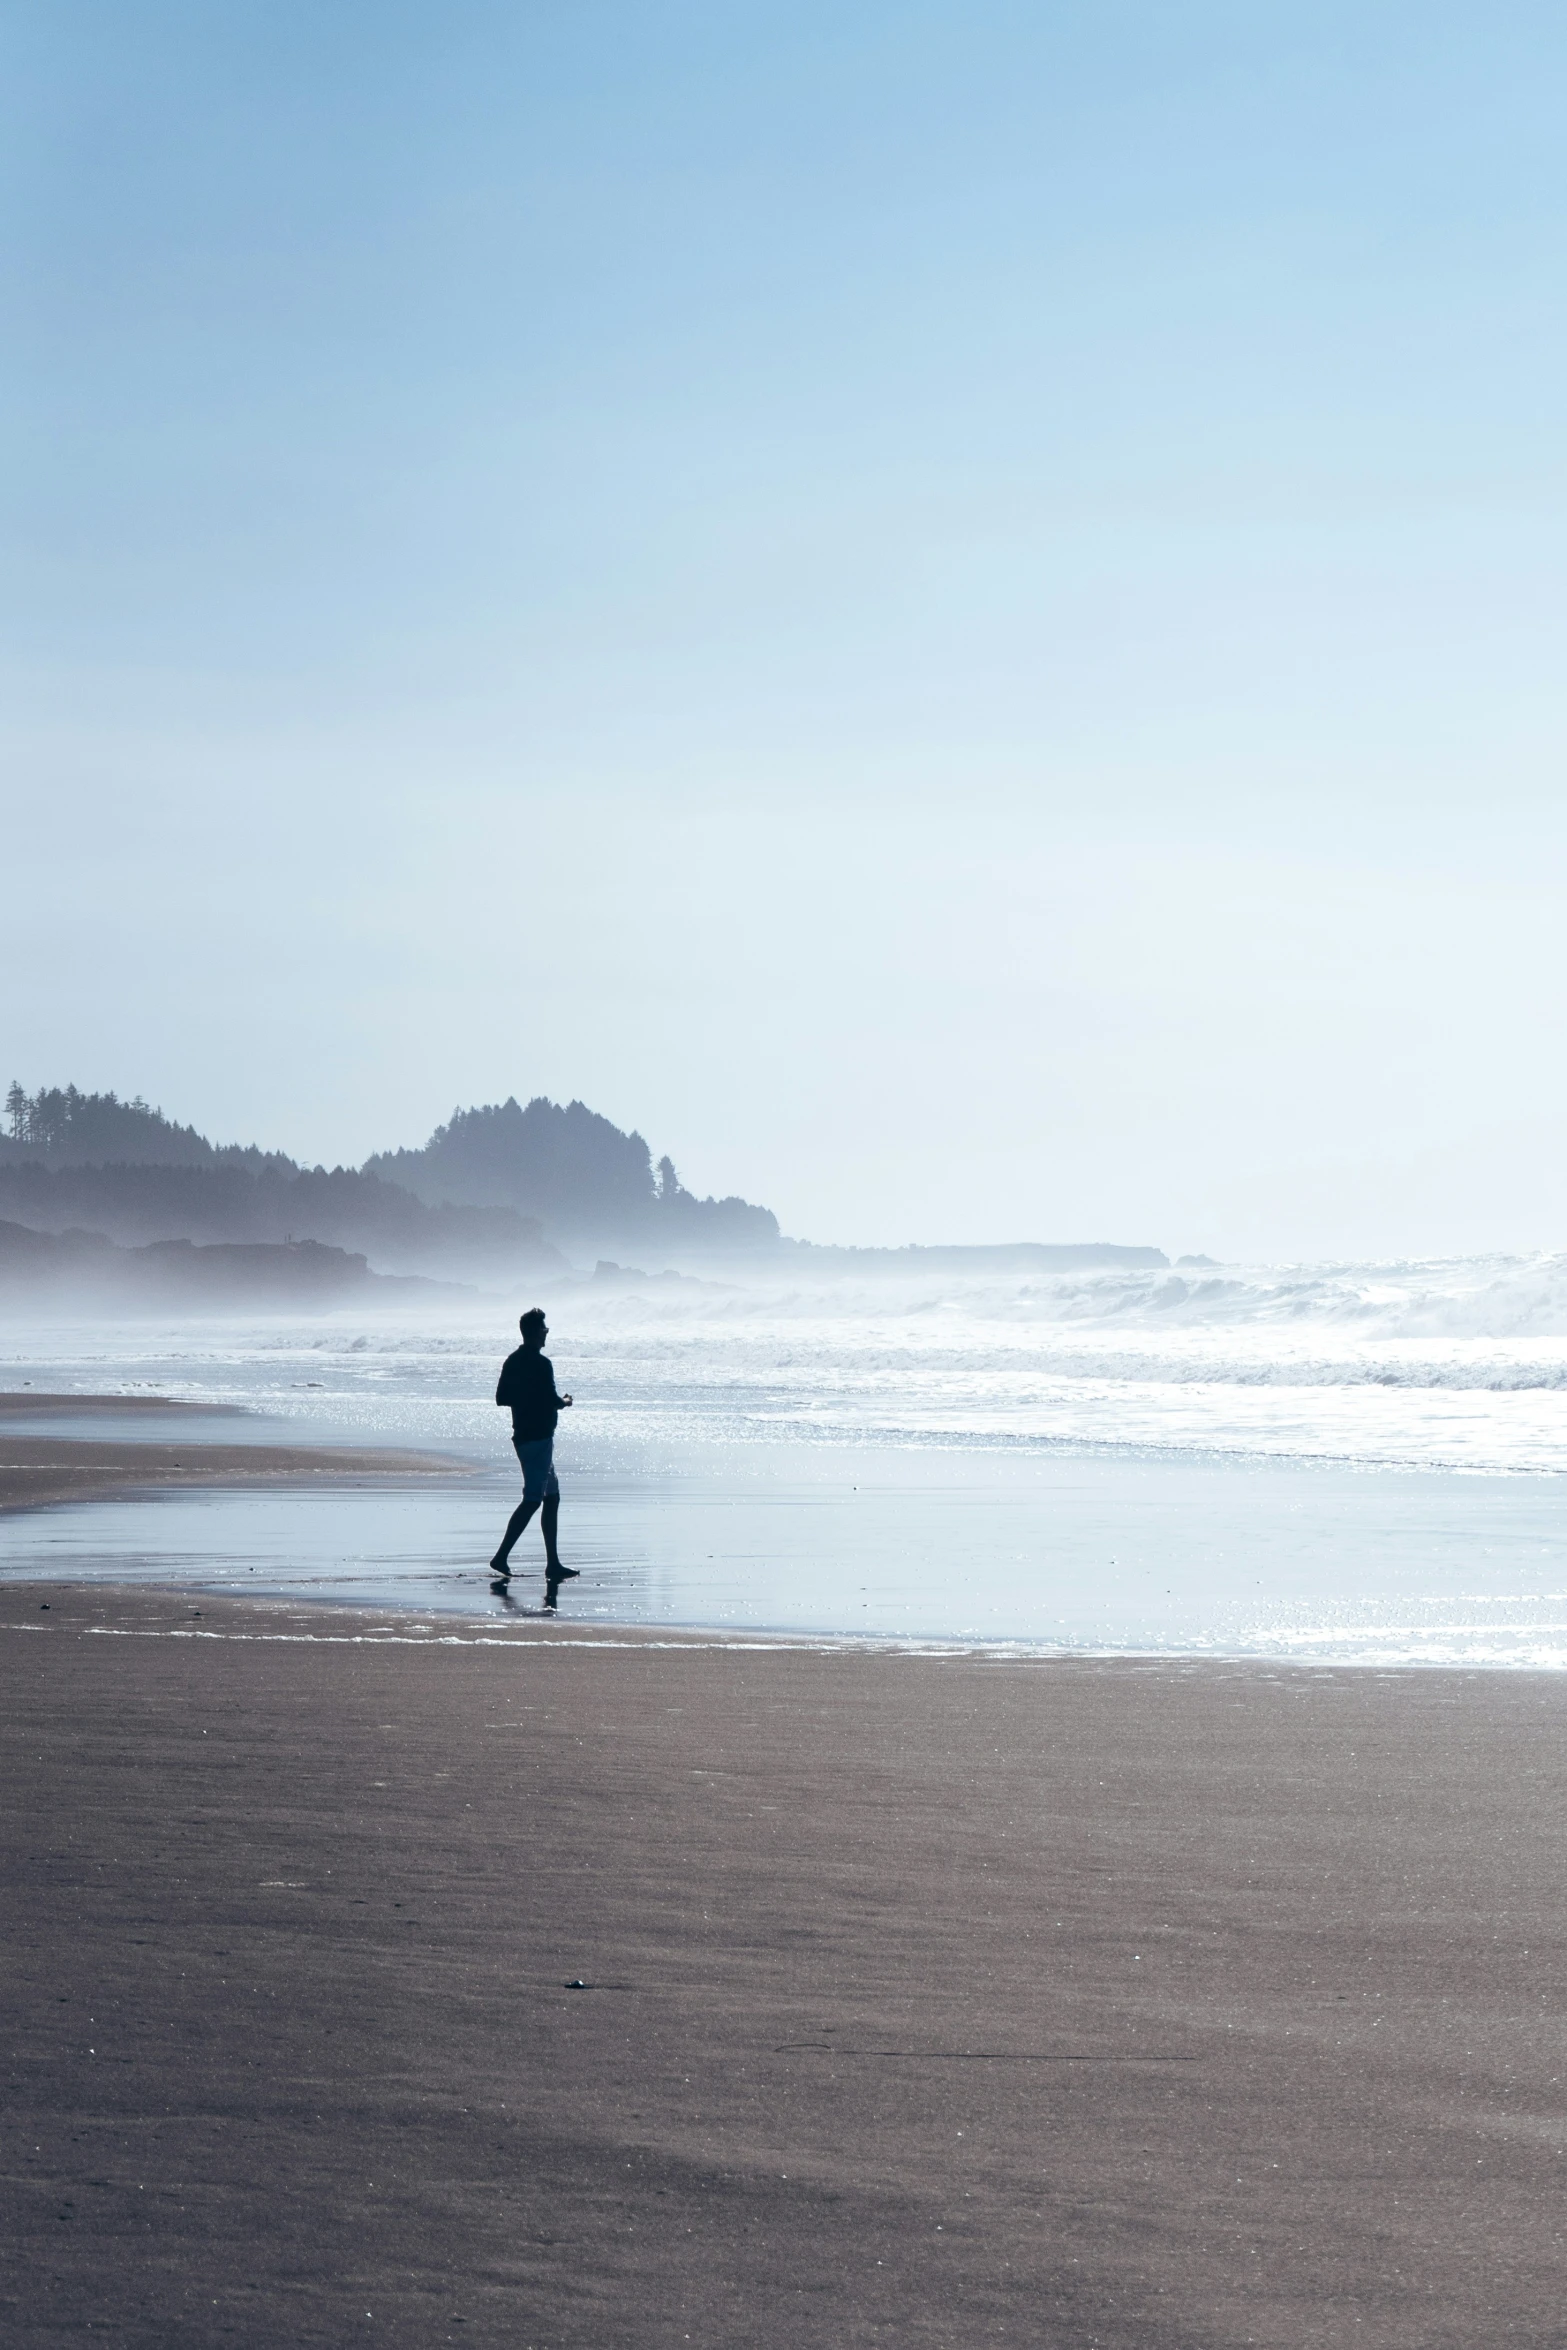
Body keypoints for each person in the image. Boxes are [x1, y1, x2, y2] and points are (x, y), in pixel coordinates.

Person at [490, 1307, 576, 1594]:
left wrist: (528, 1396)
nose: (547, 1332)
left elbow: (502, 1398)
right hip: (535, 1439)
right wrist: (566, 1400)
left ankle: (553, 1563)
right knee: (533, 1499)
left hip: (529, 1437)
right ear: (535, 1332)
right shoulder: (541, 1364)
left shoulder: (513, 1361)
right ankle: (501, 1556)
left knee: (551, 1497)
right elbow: (553, 1400)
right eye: (544, 1328)